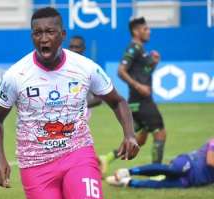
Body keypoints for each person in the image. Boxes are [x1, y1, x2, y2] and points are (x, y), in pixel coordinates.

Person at [0, 7, 140, 199]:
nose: (44, 39)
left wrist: (129, 134)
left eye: (50, 32)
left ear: (62, 35)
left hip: (78, 155)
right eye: (38, 33)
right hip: (35, 166)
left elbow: (118, 101)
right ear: (32, 36)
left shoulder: (86, 68)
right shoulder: (16, 75)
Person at [103, 17, 166, 171]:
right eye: (145, 29)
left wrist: (153, 64)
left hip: (136, 101)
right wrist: (139, 87)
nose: (149, 31)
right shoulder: (134, 48)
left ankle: (106, 158)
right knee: (160, 133)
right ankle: (156, 171)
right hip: (142, 100)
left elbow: (142, 74)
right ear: (135, 31)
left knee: (140, 138)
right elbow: (121, 71)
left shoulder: (141, 50)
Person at [106, 138, 214, 188]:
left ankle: (127, 182)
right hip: (189, 163)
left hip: (195, 179)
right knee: (172, 170)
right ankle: (127, 172)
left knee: (162, 185)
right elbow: (210, 161)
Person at [69, 35, 102, 110]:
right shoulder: (62, 69)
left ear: (83, 48)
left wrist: (78, 107)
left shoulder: (89, 69)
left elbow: (99, 99)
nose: (73, 50)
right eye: (71, 47)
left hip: (82, 117)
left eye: (77, 47)